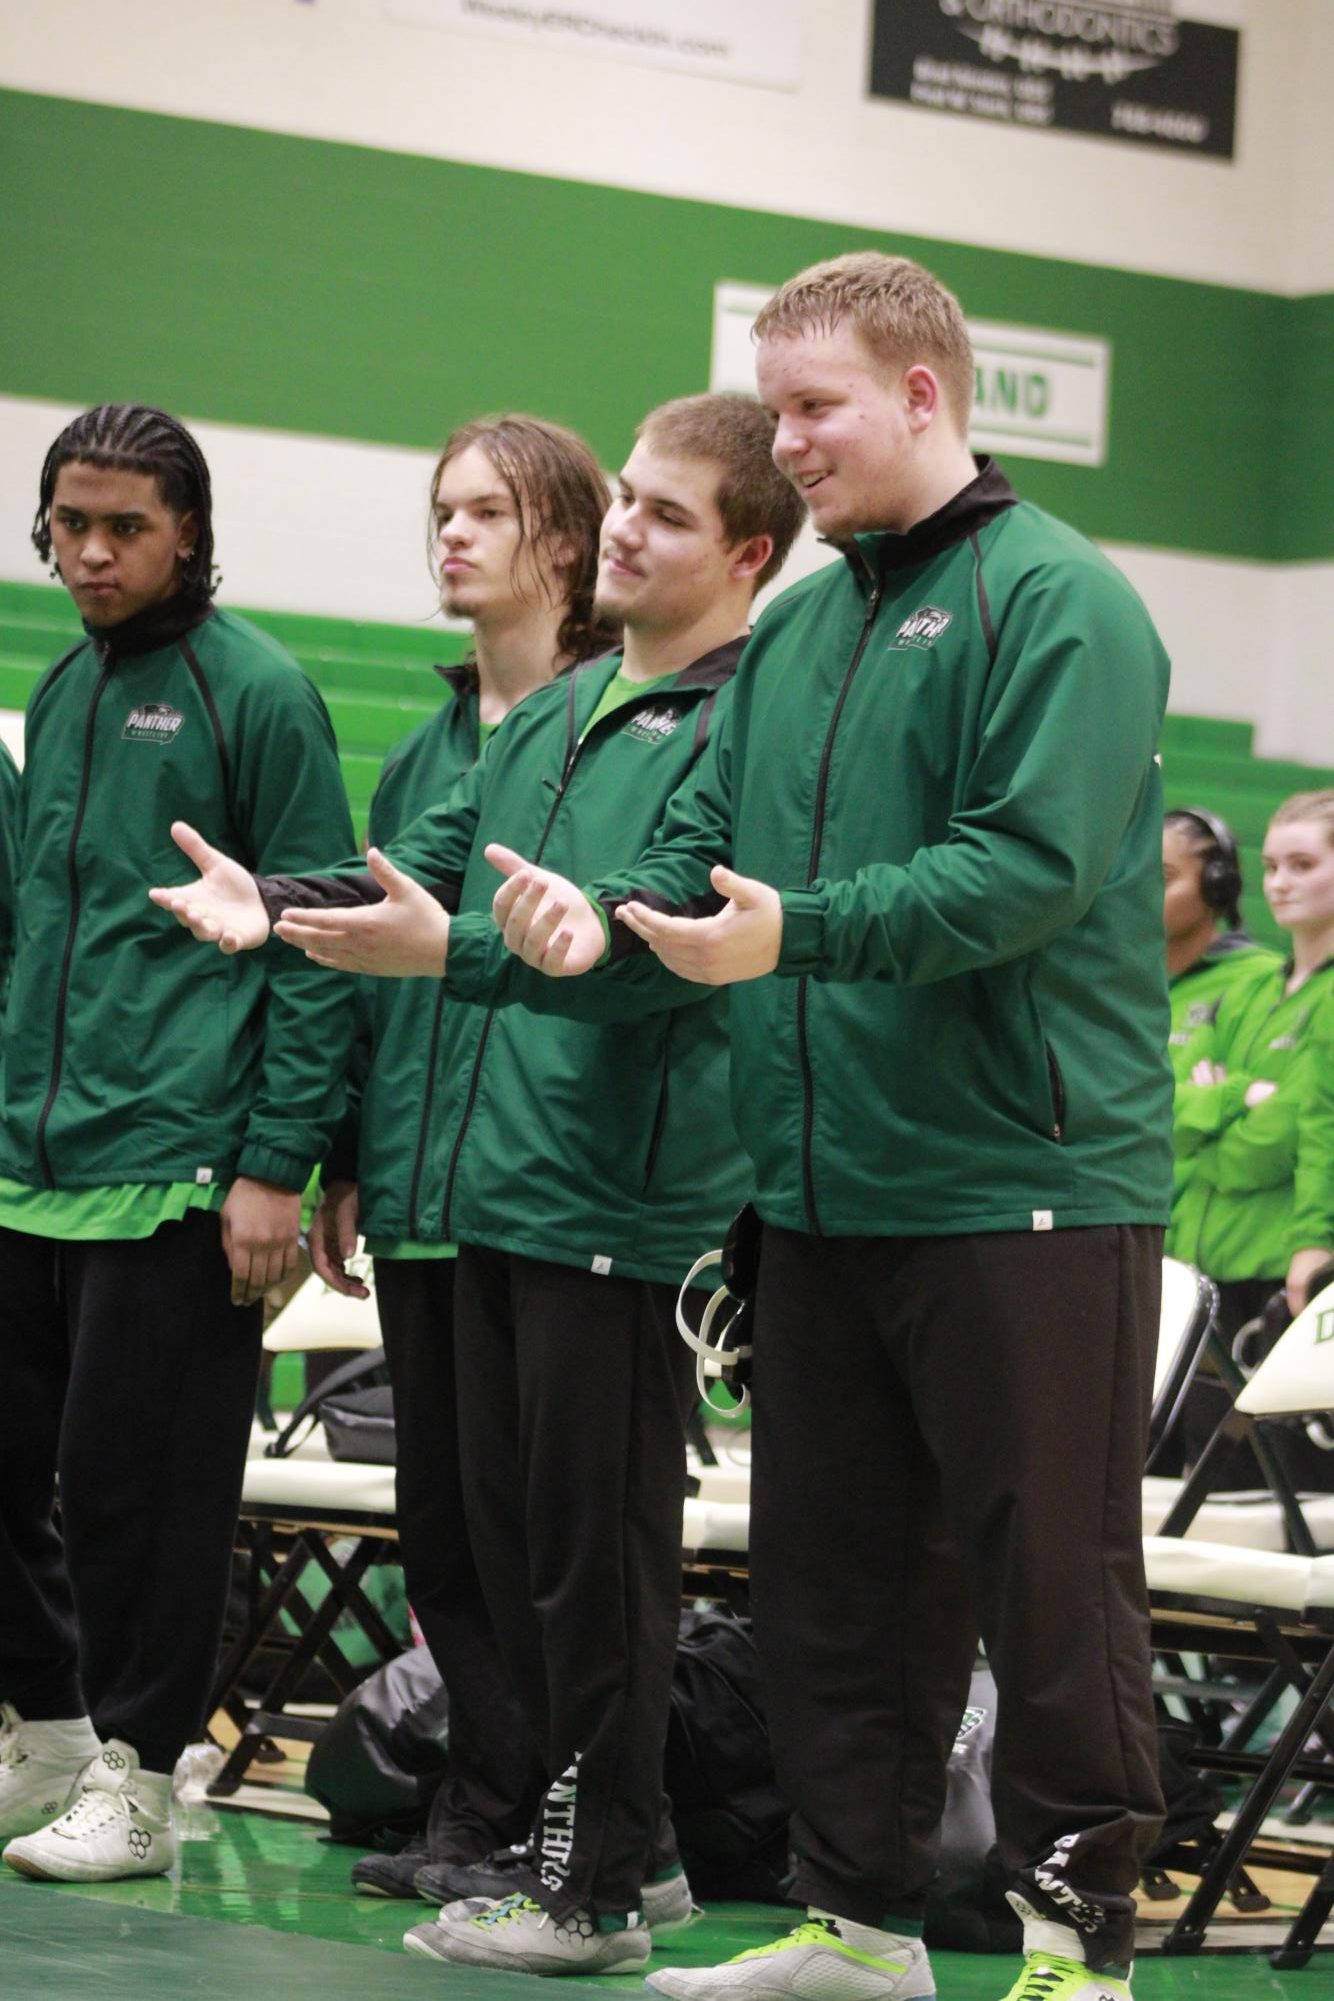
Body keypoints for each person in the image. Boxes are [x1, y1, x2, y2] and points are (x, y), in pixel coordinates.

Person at [488, 253, 1175, 2001]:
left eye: (815, 408)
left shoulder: (1062, 604)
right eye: (771, 406)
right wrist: (592, 929)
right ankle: (853, 1929)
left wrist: (798, 930)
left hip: (1024, 1188)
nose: (782, 442)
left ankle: (1071, 1948)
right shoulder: (792, 626)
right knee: (831, 1584)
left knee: (1048, 1588)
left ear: (926, 395)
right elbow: (696, 858)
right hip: (812, 1192)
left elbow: (1021, 872)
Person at [150, 392, 806, 1974]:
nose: (623, 532)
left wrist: (560, 935)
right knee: (518, 1552)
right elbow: (425, 862)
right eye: (625, 502)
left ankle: (599, 1879)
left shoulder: (737, 725)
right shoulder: (562, 719)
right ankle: (588, 1862)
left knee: (597, 1562)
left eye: (658, 513)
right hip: (512, 1193)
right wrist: (281, 899)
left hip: (620, 1205)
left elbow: (656, 927)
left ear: (747, 554)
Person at [0, 404, 354, 1884]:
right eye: (67, 524)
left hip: (183, 1172)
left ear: (189, 532)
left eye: (123, 527)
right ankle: (52, 1727)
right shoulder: (66, 688)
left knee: (146, 1492)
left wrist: (278, 1160)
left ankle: (144, 1778)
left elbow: (323, 934)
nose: (89, 552)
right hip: (35, 1165)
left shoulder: (257, 692)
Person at [312, 414, 617, 1901]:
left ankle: (557, 1827)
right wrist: (339, 1154)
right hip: (418, 1192)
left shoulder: (609, 721)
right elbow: (369, 965)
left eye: (487, 511)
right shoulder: (429, 747)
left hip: (542, 1203)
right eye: (443, 509)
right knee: (441, 1536)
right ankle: (482, 1809)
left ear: (565, 541)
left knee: (531, 1544)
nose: (451, 534)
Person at [1170, 791, 1334, 1479]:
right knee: (1185, 1483)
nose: (1279, 881)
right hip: (1206, 1265)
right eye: (1270, 865)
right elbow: (1172, 1104)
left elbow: (1293, 1135)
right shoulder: (1252, 987)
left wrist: (1221, 1112)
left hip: (1279, 1271)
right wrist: (1238, 1100)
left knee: (1274, 1499)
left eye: (1302, 863)